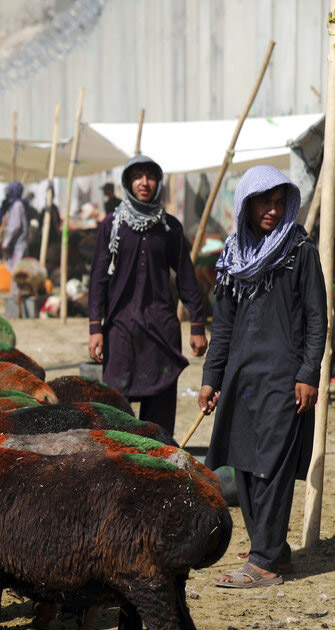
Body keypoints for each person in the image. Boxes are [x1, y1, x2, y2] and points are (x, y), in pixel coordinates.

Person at [200, 166, 325, 589]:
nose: (271, 210)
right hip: (242, 378)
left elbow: (316, 317)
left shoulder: (299, 250)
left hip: (284, 378)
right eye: (262, 201)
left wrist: (309, 372)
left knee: (272, 465)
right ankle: (272, 549)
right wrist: (211, 377)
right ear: (246, 205)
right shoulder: (233, 257)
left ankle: (265, 561)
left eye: (278, 202)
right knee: (246, 463)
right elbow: (223, 328)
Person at [88, 155, 207, 434]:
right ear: (128, 182)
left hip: (160, 330)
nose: (144, 182)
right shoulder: (112, 225)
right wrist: (95, 327)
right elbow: (98, 279)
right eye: (138, 176)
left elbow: (187, 278)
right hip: (120, 330)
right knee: (115, 413)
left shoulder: (170, 227)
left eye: (150, 176)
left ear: (158, 182)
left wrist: (198, 324)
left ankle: (156, 470)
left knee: (159, 420)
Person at [0, 181, 28, 268]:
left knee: (16, 272)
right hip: (17, 244)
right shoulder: (17, 204)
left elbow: (15, 226)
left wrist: (6, 242)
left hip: (18, 244)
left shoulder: (17, 205)